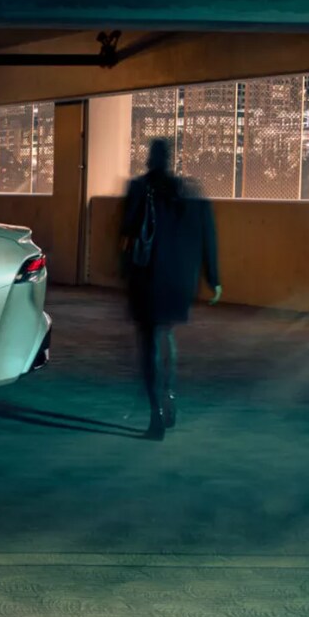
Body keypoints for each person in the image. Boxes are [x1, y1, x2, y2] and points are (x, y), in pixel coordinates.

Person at [119, 138, 220, 440]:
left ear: (150, 158)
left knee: (149, 342)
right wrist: (213, 278)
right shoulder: (189, 193)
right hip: (179, 282)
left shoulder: (139, 188)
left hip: (148, 279)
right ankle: (170, 394)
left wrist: (124, 270)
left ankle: (155, 415)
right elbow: (208, 235)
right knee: (167, 334)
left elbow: (126, 231)